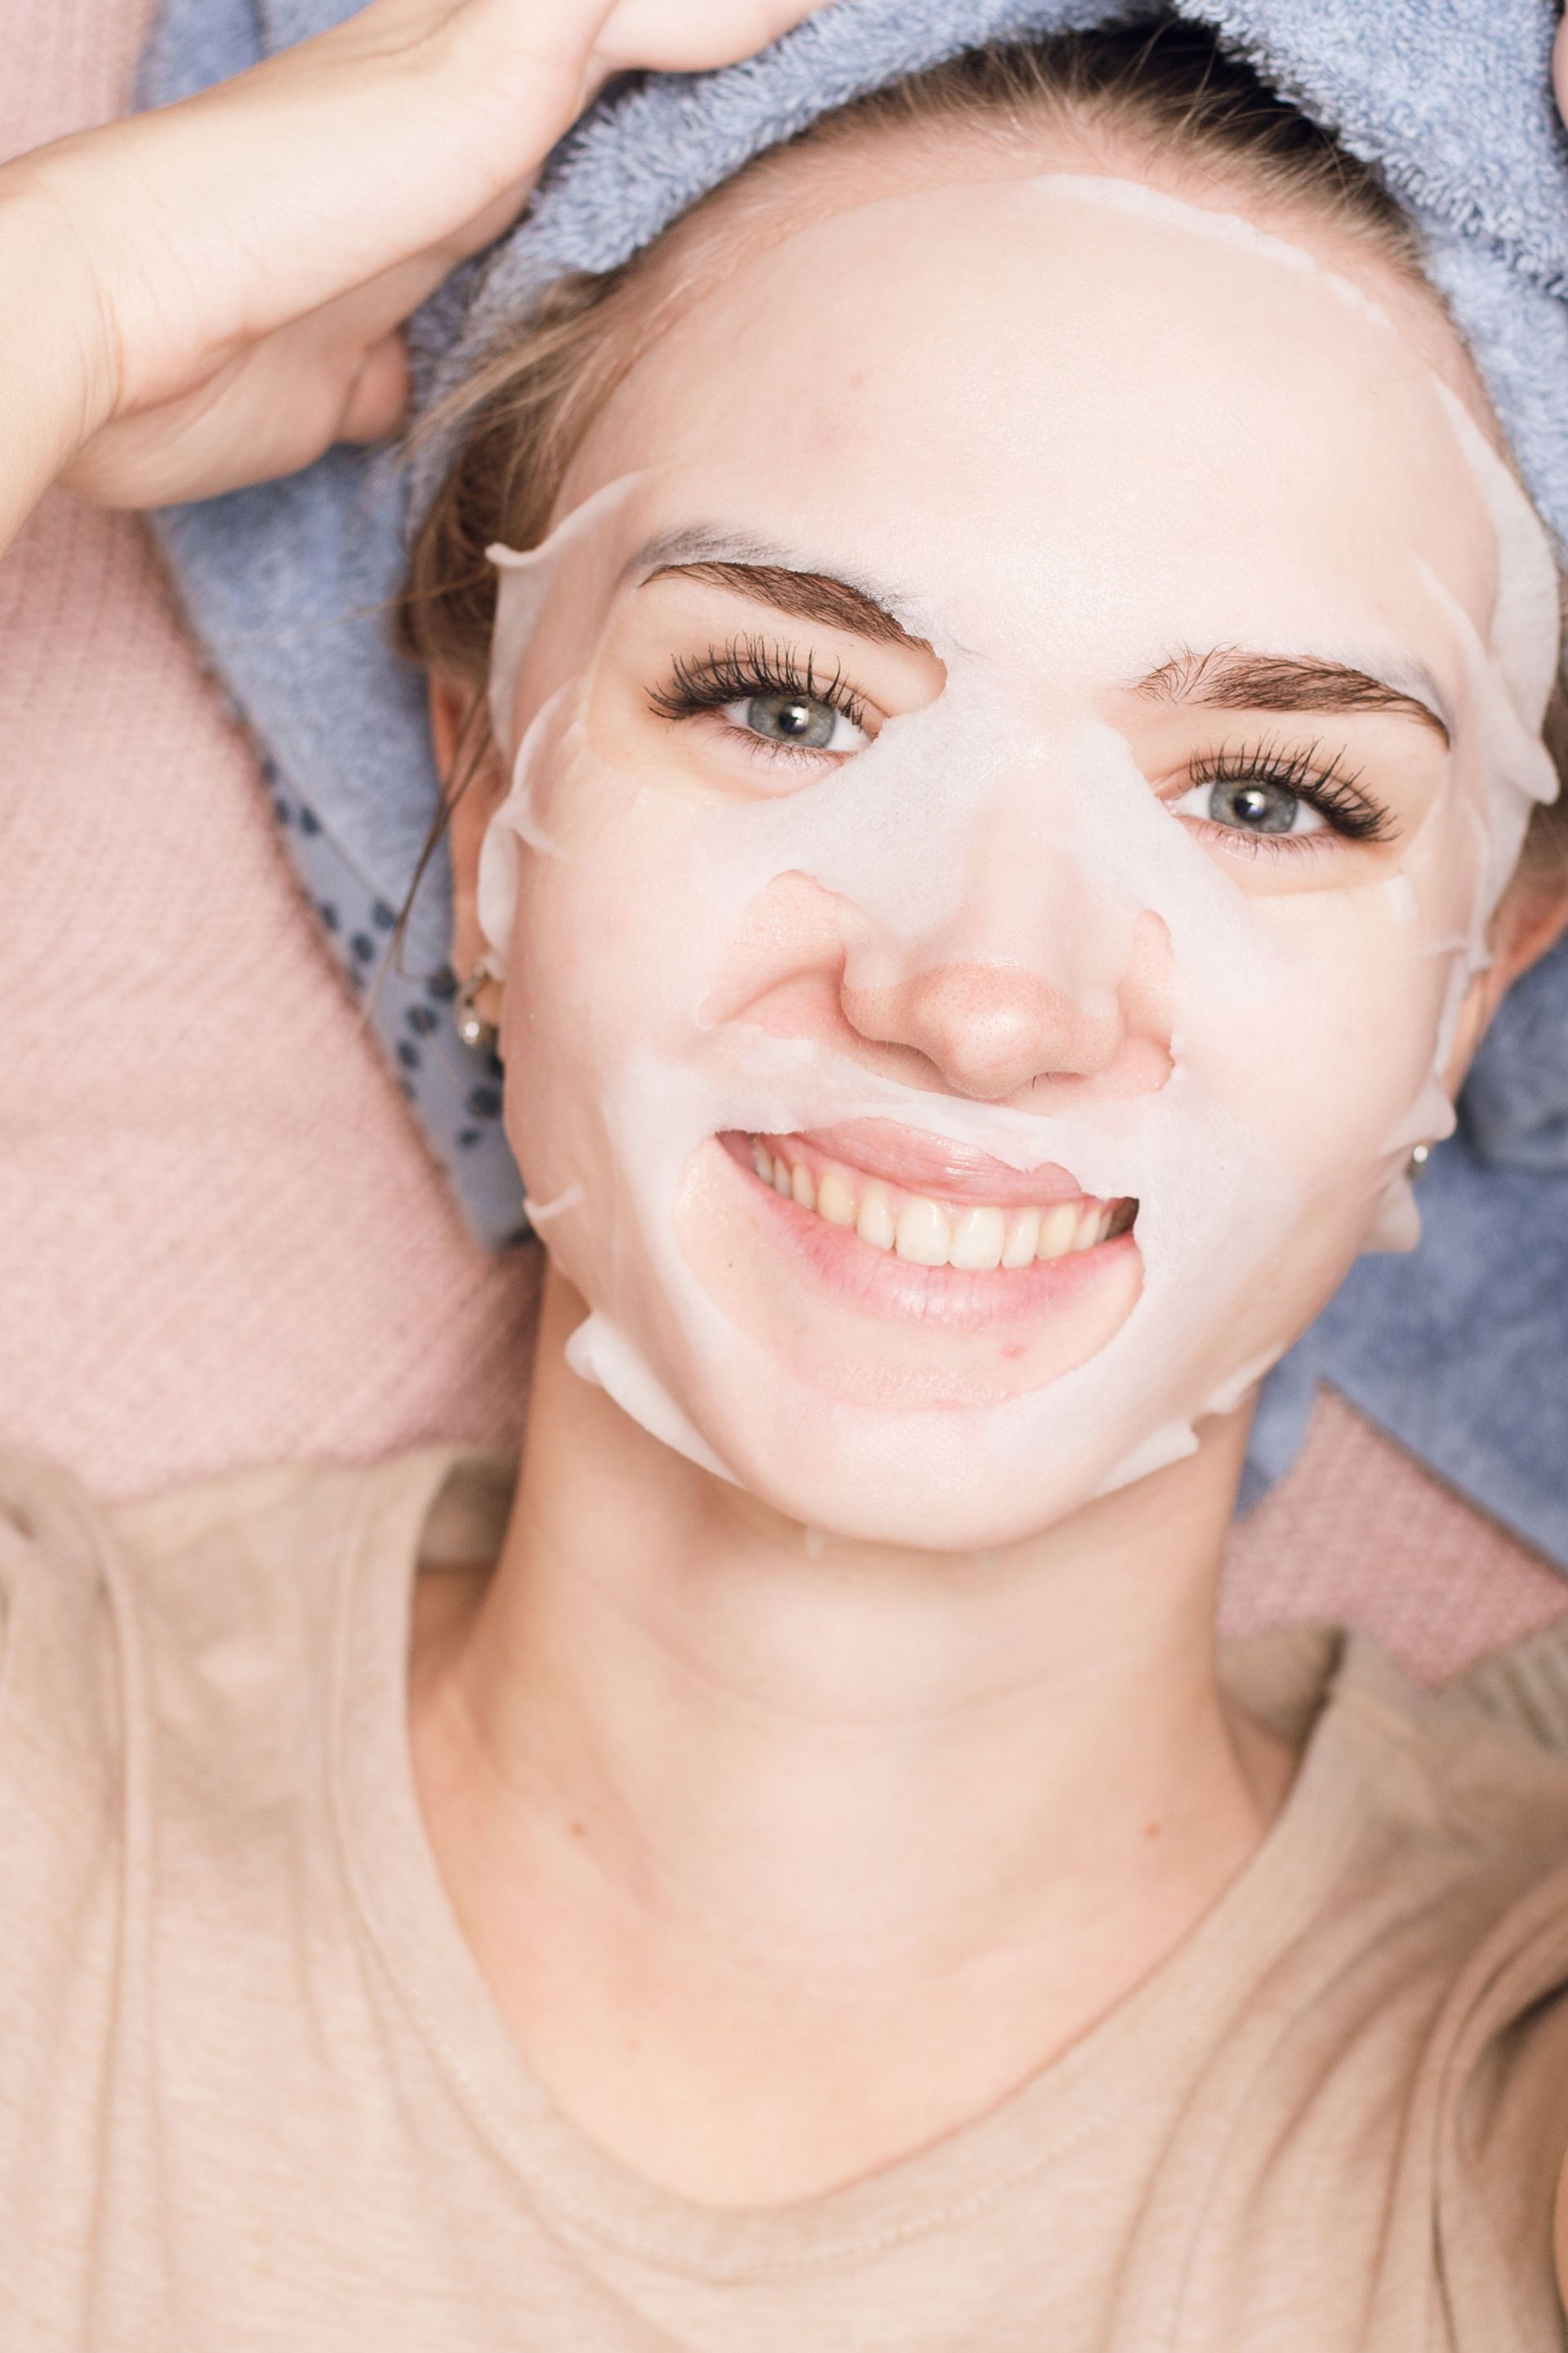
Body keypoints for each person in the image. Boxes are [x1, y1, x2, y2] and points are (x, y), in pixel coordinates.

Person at [2, 4, 1568, 2345]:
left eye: (1271, 794)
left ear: (1468, 988)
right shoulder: (56, 1828)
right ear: (484, 785)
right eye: (782, 701)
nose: (986, 997)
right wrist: (73, 287)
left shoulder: (1498, 2059)